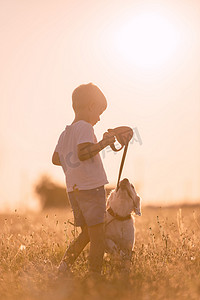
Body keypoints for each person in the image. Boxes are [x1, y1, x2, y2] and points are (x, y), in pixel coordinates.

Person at [52, 83, 115, 276]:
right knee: (98, 235)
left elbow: (55, 159)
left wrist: (69, 163)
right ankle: (94, 274)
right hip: (91, 189)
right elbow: (83, 152)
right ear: (91, 106)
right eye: (99, 111)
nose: (99, 117)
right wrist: (103, 143)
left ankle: (63, 266)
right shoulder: (86, 127)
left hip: (74, 190)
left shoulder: (66, 133)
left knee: (87, 233)